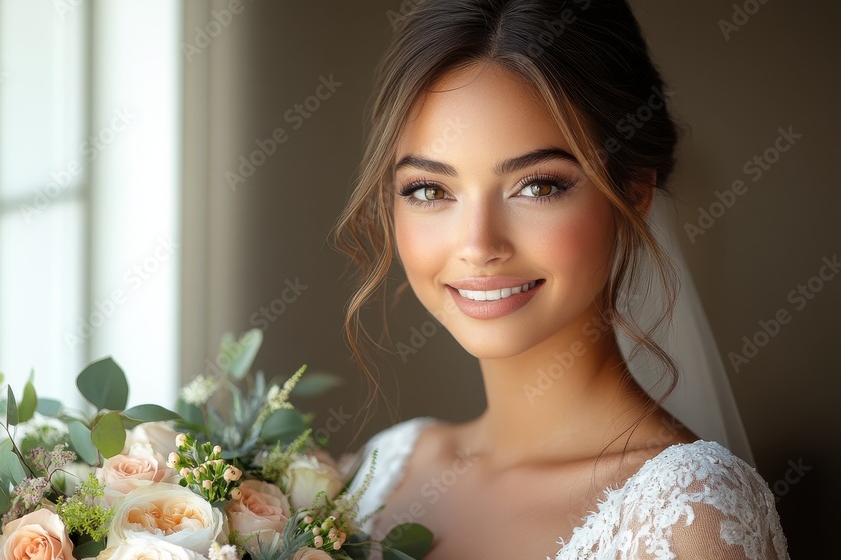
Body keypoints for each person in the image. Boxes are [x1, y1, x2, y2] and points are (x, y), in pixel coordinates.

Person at [332, 0, 789, 558]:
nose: (479, 246)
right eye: (430, 190)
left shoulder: (688, 516)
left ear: (633, 194)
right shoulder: (381, 473)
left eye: (538, 186)